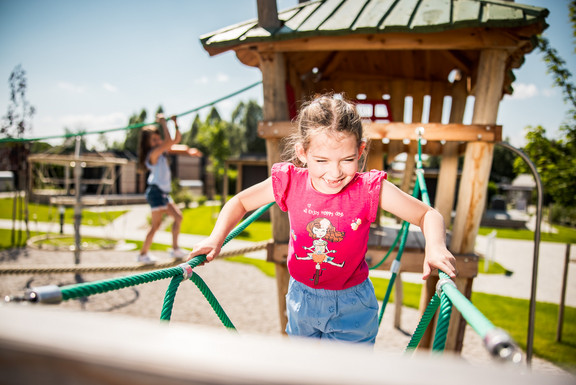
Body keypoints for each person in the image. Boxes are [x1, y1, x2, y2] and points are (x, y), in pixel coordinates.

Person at [187, 94, 456, 344]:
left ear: (361, 151)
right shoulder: (290, 181)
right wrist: (216, 237)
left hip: (352, 304)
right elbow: (240, 201)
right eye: (322, 160)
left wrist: (435, 247)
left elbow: (428, 214)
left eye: (347, 159)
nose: (335, 172)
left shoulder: (369, 189)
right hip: (301, 299)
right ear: (302, 153)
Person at [137, 114, 202, 263]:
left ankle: (175, 249)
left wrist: (175, 123)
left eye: (157, 138)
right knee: (156, 225)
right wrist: (164, 123)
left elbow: (176, 142)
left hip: (163, 193)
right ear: (147, 143)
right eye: (153, 139)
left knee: (178, 217)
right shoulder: (153, 154)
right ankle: (142, 254)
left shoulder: (162, 152)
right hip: (156, 192)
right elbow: (171, 141)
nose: (157, 141)